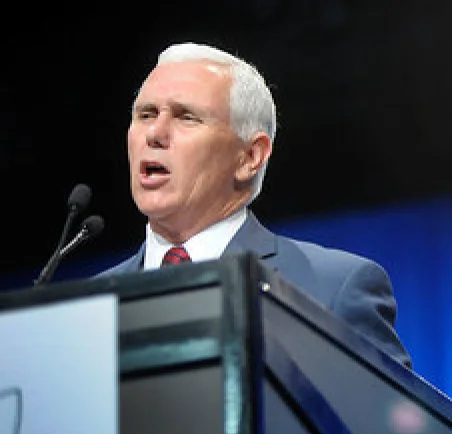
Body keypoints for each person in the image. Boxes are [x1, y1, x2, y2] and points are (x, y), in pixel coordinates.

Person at [99, 42, 411, 368]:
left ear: (250, 156)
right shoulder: (88, 305)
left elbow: (385, 418)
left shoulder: (331, 291)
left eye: (186, 117)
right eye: (146, 114)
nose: (155, 133)